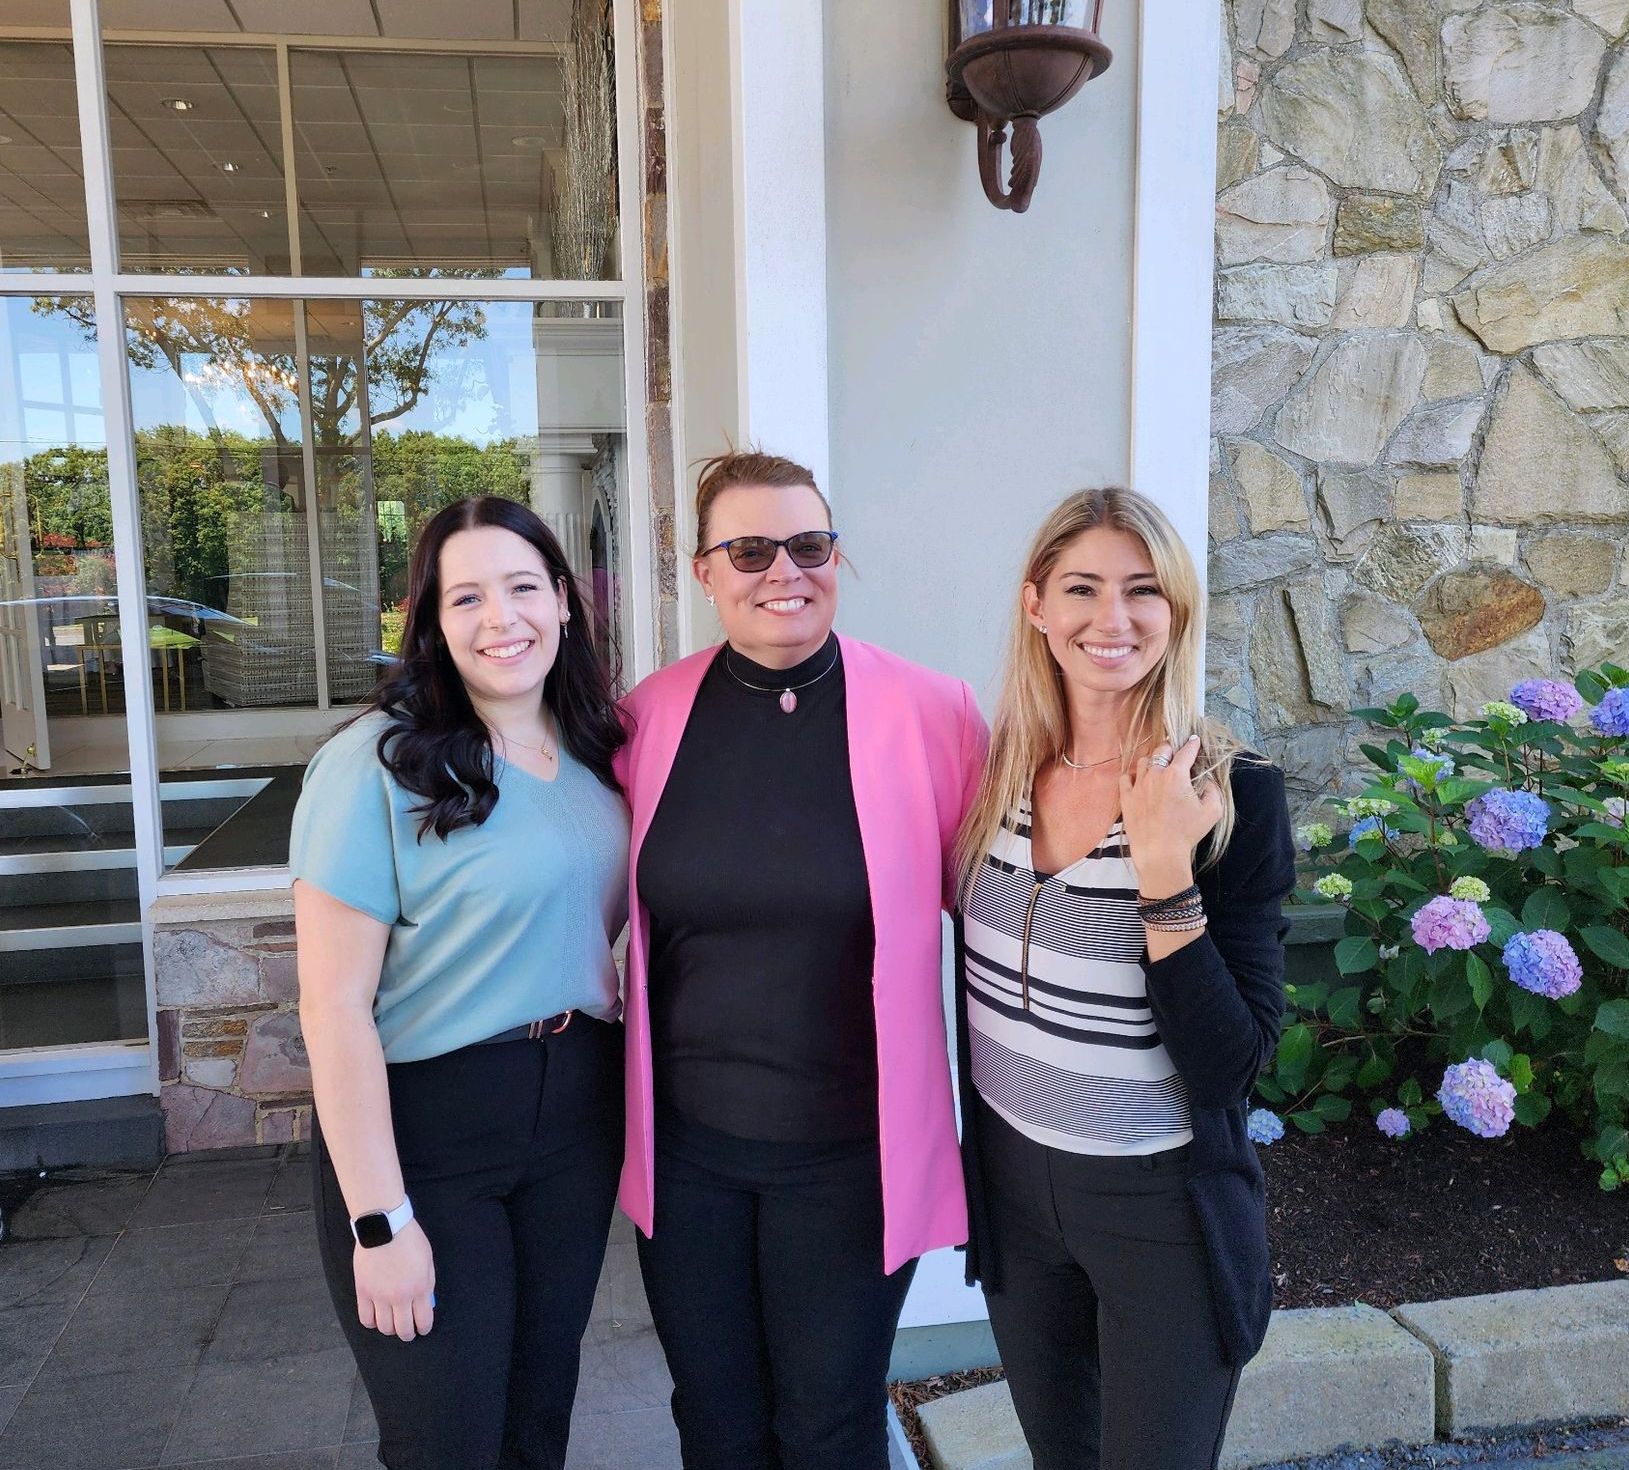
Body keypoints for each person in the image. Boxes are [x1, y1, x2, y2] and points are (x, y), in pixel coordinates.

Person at [614, 449, 987, 1470]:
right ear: (704, 571)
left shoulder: (933, 715)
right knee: (718, 1423)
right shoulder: (646, 721)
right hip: (690, 1159)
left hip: (851, 1162)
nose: (785, 570)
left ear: (837, 555)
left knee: (829, 1430)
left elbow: (998, 929)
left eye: (809, 544)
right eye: (750, 548)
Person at [953, 487, 1295, 1470]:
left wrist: (1163, 877)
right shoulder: (996, 773)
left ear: (1176, 611)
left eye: (1143, 591)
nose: (1113, 619)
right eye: (1083, 588)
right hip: (1015, 1190)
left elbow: (1232, 1068)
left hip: (1159, 1207)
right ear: (1036, 607)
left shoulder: (1229, 792)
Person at [289, 496, 629, 1470]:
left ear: (564, 601)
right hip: (428, 1132)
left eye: (524, 587)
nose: (501, 619)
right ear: (434, 623)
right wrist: (379, 1220)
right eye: (466, 597)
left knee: (537, 1416)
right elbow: (333, 1007)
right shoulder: (372, 766)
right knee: (448, 1438)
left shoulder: (600, 749)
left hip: (573, 1116)